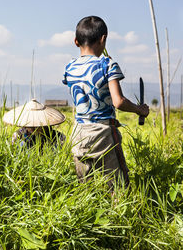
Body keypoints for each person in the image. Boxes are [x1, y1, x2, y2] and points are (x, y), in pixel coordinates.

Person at [62, 16, 149, 191]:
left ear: (75, 41)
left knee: (85, 187)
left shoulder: (69, 67)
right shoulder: (108, 65)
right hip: (104, 133)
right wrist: (139, 110)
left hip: (79, 134)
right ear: (103, 39)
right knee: (118, 186)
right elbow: (118, 101)